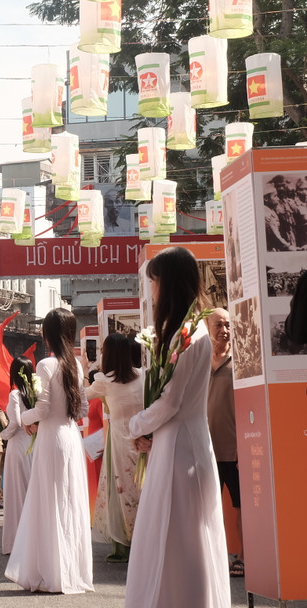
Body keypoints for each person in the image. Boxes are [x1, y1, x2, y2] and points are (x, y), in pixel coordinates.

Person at [126, 246, 230, 607]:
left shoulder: (185, 335)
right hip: (183, 444)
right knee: (186, 539)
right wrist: (150, 433)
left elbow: (169, 402)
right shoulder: (191, 331)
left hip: (180, 452)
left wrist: (136, 424)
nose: (151, 289)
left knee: (179, 539)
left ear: (166, 283)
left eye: (153, 281)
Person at [5, 308, 93, 594]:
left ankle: (50, 571)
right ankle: (69, 571)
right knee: (68, 501)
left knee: (49, 501)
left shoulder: (45, 364)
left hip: (51, 437)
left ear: (49, 334)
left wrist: (26, 421)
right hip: (70, 437)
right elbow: (82, 409)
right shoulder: (77, 366)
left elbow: (41, 408)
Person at [86, 333, 144, 563]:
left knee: (120, 489)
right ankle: (144, 539)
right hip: (142, 438)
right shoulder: (142, 376)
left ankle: (123, 544)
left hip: (119, 440)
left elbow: (82, 397)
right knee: (140, 488)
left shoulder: (104, 381)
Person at [206, 308, 244, 578]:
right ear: (208, 328)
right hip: (206, 449)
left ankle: (243, 557)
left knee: (241, 506)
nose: (225, 330)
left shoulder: (240, 360)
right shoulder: (200, 361)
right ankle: (213, 556)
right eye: (219, 325)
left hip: (234, 449)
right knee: (208, 508)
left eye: (228, 324)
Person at [0, 357, 34, 555]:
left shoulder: (15, 394)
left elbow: (14, 423)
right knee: (31, 490)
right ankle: (32, 539)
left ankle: (15, 542)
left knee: (16, 494)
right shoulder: (36, 392)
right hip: (34, 442)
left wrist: (2, 433)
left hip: (17, 445)